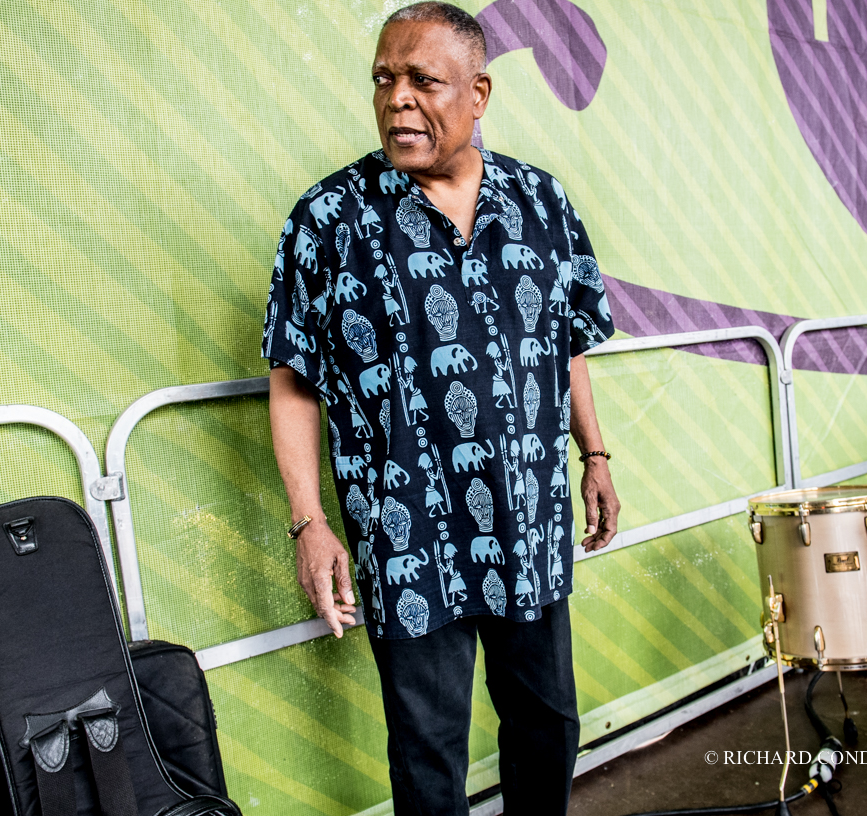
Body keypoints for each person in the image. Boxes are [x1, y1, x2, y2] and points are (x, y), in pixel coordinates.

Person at [261, 3, 620, 813]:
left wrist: (594, 455)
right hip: (407, 536)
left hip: (529, 518)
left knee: (547, 722)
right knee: (427, 752)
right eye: (385, 80)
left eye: (424, 80)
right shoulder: (328, 221)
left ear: (479, 92)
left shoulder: (542, 205)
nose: (398, 100)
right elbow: (292, 378)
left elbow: (566, 345)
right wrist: (308, 521)